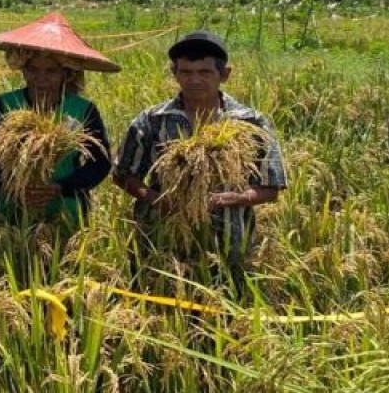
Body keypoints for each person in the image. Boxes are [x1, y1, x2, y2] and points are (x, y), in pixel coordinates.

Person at [112, 30, 286, 294]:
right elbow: (123, 175)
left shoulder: (251, 123)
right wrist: (156, 199)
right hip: (162, 239)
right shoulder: (152, 120)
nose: (194, 80)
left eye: (204, 72)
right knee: (161, 299)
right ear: (174, 73)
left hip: (229, 243)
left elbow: (270, 188)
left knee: (227, 302)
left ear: (224, 74)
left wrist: (228, 199)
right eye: (186, 72)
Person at [0, 12, 117, 226]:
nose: (41, 79)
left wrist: (62, 187)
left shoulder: (82, 110)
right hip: (11, 204)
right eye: (32, 69)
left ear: (66, 74)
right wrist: (15, 185)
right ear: (23, 70)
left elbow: (100, 162)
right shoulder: (3, 105)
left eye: (51, 71)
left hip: (67, 208)